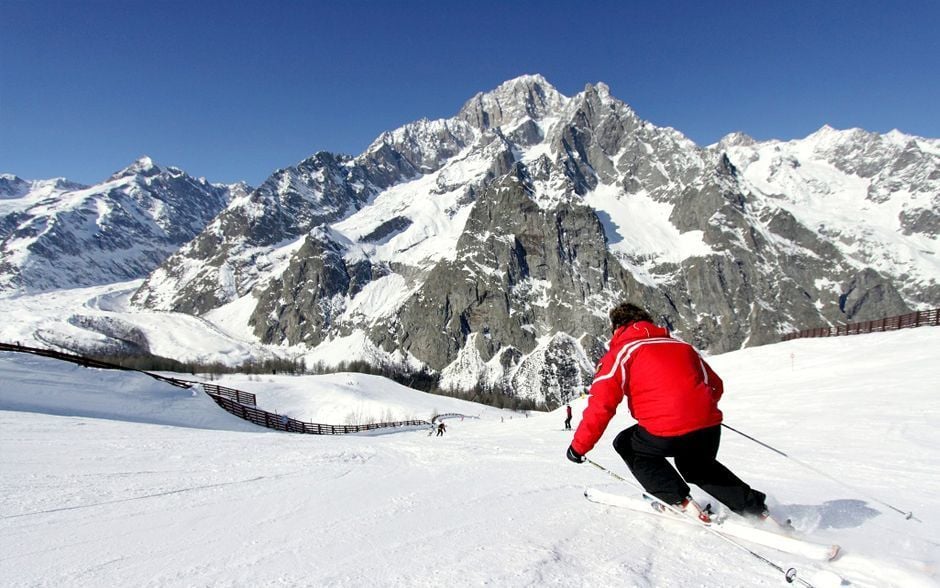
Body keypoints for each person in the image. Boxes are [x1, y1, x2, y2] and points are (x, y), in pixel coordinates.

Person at [566, 302, 768, 523]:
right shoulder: (683, 347)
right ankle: (756, 510)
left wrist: (579, 447)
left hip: (666, 430)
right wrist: (697, 411)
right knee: (698, 467)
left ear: (617, 328)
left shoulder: (622, 353)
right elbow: (715, 386)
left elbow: (601, 405)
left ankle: (676, 500)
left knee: (627, 444)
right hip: (708, 428)